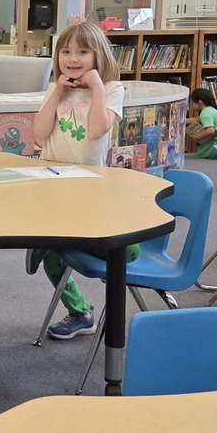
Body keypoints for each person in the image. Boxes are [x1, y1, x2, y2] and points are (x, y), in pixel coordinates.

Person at [29, 18, 137, 340]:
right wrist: (58, 91)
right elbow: (38, 134)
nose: (72, 59)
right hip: (53, 182)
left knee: (125, 252)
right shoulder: (55, 89)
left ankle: (56, 242)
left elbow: (95, 130)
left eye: (82, 52)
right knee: (51, 260)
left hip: (89, 186)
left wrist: (98, 88)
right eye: (65, 52)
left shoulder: (113, 89)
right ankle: (80, 312)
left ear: (98, 57)